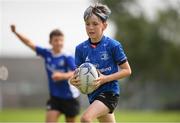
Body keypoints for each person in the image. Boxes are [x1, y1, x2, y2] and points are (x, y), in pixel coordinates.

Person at [70, 4, 132, 123]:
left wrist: (104, 79)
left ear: (104, 25)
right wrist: (72, 81)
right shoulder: (80, 49)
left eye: (95, 24)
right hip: (93, 96)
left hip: (110, 93)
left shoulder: (113, 45)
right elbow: (77, 74)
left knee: (85, 118)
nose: (90, 27)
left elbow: (127, 70)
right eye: (87, 24)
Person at [10, 25, 80, 123]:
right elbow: (29, 43)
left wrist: (62, 76)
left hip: (70, 97)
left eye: (61, 40)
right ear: (50, 42)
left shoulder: (67, 56)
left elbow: (76, 72)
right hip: (55, 98)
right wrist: (15, 32)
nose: (59, 43)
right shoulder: (47, 53)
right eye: (56, 40)